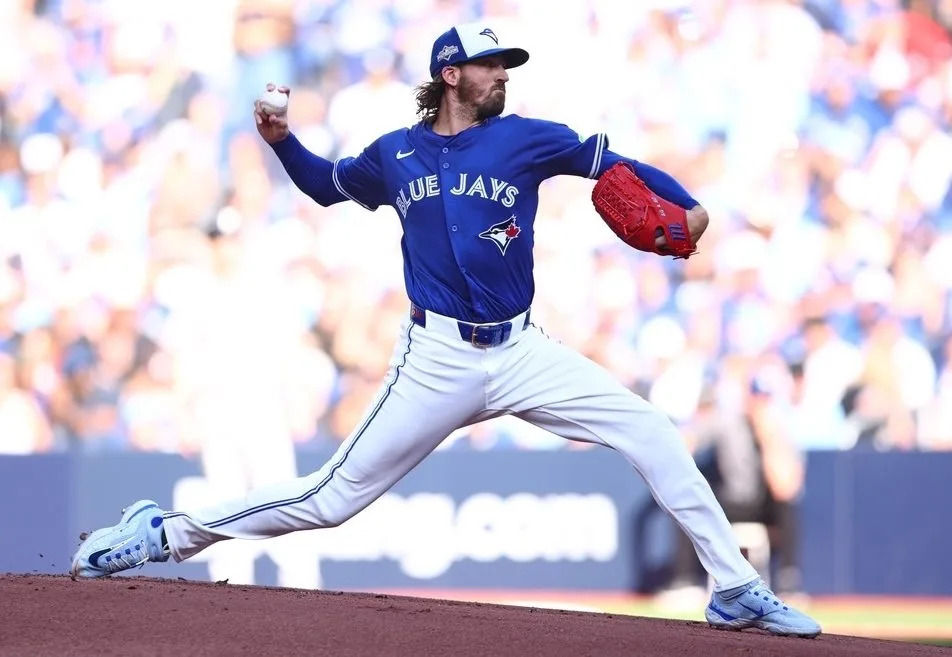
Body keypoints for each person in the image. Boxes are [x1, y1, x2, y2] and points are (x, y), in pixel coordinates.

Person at [70, 22, 820, 638]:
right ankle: (167, 531)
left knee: (653, 431)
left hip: (524, 349)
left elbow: (616, 166)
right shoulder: (395, 154)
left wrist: (688, 204)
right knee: (329, 499)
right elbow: (328, 186)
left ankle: (736, 588)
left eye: (507, 66)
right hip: (436, 358)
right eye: (493, 65)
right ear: (452, 73)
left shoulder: (526, 137)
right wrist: (279, 144)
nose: (505, 76)